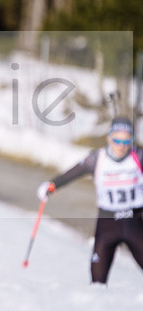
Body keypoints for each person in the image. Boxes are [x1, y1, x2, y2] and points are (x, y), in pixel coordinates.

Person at [37, 117, 143, 284]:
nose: (121, 146)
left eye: (126, 141)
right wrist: (52, 185)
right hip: (107, 225)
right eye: (117, 140)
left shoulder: (139, 156)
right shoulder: (96, 159)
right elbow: (72, 174)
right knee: (97, 281)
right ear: (109, 138)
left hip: (134, 223)